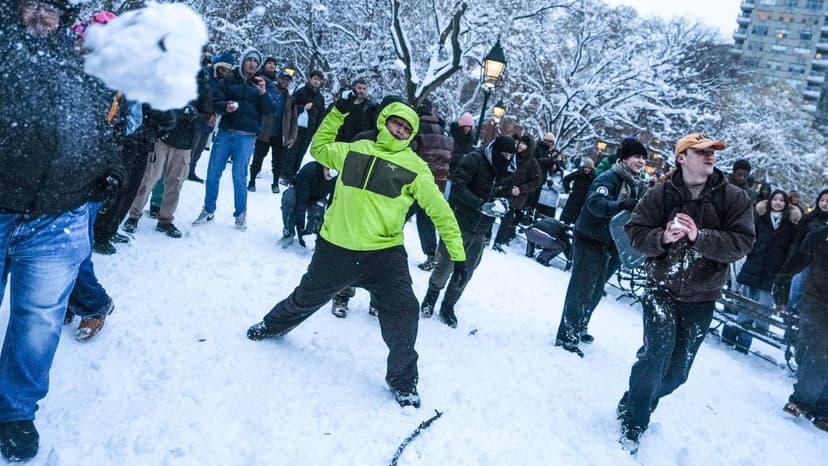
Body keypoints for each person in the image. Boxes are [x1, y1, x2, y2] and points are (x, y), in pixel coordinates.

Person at [246, 93, 466, 409]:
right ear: (384, 122)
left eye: (407, 128)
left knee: (404, 311)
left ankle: (403, 381)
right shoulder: (355, 151)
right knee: (305, 298)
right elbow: (319, 148)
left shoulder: (415, 167)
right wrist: (337, 113)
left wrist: (456, 255)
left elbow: (440, 212)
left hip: (384, 255)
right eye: (396, 123)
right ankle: (271, 326)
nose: (400, 130)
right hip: (336, 248)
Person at [0, 0, 126, 460]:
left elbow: (103, 130)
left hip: (59, 218)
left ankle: (15, 411)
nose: (39, 16)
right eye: (29, 6)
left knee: (38, 321)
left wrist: (109, 169)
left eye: (48, 9)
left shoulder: (81, 65)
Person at [617, 133, 755, 451]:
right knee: (653, 358)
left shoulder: (733, 198)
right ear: (682, 157)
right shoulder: (661, 193)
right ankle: (633, 424)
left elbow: (744, 242)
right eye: (701, 151)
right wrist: (663, 237)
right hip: (660, 289)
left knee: (678, 373)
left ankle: (636, 399)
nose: (710, 156)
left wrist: (700, 238)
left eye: (713, 152)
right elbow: (634, 232)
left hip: (702, 296)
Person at [555, 139, 649, 357]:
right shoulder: (609, 178)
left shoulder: (636, 183)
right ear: (624, 158)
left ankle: (580, 325)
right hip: (591, 238)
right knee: (582, 288)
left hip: (613, 243)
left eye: (644, 158)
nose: (641, 161)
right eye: (637, 156)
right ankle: (567, 335)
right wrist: (620, 205)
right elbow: (595, 204)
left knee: (597, 289)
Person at [419, 136, 517, 328]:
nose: (506, 159)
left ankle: (449, 305)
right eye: (504, 154)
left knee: (467, 271)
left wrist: (504, 204)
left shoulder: (509, 170)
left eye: (510, 156)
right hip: (458, 222)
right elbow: (457, 187)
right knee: (445, 264)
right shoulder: (474, 160)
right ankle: (431, 297)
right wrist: (480, 205)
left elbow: (506, 195)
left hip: (481, 230)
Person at [192, 48, 277, 231]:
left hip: (246, 137)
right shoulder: (229, 80)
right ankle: (208, 209)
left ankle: (240, 214)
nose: (252, 64)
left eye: (255, 61)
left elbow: (271, 110)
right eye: (249, 60)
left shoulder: (264, 83)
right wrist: (225, 107)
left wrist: (263, 92)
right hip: (225, 132)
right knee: (213, 173)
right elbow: (213, 101)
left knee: (240, 176)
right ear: (243, 61)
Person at [721, 190, 799, 353]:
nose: (778, 203)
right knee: (745, 302)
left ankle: (746, 340)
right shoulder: (760, 219)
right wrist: (752, 251)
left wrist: (785, 264)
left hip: (773, 270)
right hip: (754, 264)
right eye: (775, 200)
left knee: (763, 305)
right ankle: (736, 339)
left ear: (786, 204)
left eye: (781, 200)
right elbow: (750, 237)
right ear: (770, 201)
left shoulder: (789, 225)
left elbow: (791, 247)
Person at [773, 223, 828, 433]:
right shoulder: (819, 236)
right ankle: (801, 401)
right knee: (818, 351)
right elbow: (795, 263)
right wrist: (781, 285)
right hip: (816, 302)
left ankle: (823, 408)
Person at [407, 99, 454, 270]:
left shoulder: (416, 128)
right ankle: (431, 255)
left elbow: (409, 154)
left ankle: (380, 248)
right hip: (437, 185)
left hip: (417, 182)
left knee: (397, 216)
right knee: (426, 220)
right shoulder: (444, 131)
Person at [188, 52, 235, 183]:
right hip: (199, 114)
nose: (224, 72)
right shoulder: (205, 74)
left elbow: (221, 98)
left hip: (212, 115)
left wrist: (215, 112)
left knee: (201, 145)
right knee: (193, 143)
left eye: (227, 70)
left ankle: (191, 170)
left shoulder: (226, 81)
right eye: (223, 68)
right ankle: (185, 168)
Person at [249, 69, 297, 194]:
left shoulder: (290, 98)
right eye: (283, 79)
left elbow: (293, 119)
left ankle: (275, 183)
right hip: (264, 132)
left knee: (278, 162)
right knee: (257, 159)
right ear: (278, 78)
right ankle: (252, 181)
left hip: (280, 134)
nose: (285, 82)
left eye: (288, 80)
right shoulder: (268, 91)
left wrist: (292, 136)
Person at [493, 134, 541, 251]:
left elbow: (537, 180)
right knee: (493, 211)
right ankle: (487, 236)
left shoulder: (532, 163)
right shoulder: (512, 155)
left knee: (507, 219)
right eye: (520, 142)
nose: (520, 145)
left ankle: (499, 242)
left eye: (524, 144)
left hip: (515, 196)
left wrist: (521, 189)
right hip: (503, 189)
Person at [281, 70, 326, 184]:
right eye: (315, 79)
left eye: (319, 80)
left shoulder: (320, 98)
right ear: (310, 79)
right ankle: (285, 174)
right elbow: (291, 107)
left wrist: (317, 130)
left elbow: (321, 115)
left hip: (310, 129)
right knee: (292, 151)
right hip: (296, 127)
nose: (316, 82)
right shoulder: (301, 91)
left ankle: (294, 175)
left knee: (301, 152)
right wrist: (303, 108)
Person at [279, 161, 337, 248]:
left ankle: (311, 235)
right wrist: (300, 229)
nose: (329, 176)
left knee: (318, 211)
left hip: (318, 196)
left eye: (331, 176)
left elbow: (332, 202)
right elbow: (301, 203)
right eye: (328, 172)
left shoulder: (338, 178)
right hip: (298, 191)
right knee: (289, 200)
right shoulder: (309, 171)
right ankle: (289, 232)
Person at [559, 157, 596, 225]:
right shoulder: (579, 173)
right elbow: (566, 179)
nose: (587, 170)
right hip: (574, 198)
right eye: (585, 167)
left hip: (583, 201)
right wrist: (568, 189)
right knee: (566, 218)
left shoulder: (594, 177)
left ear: (591, 169)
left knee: (576, 221)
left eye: (589, 168)